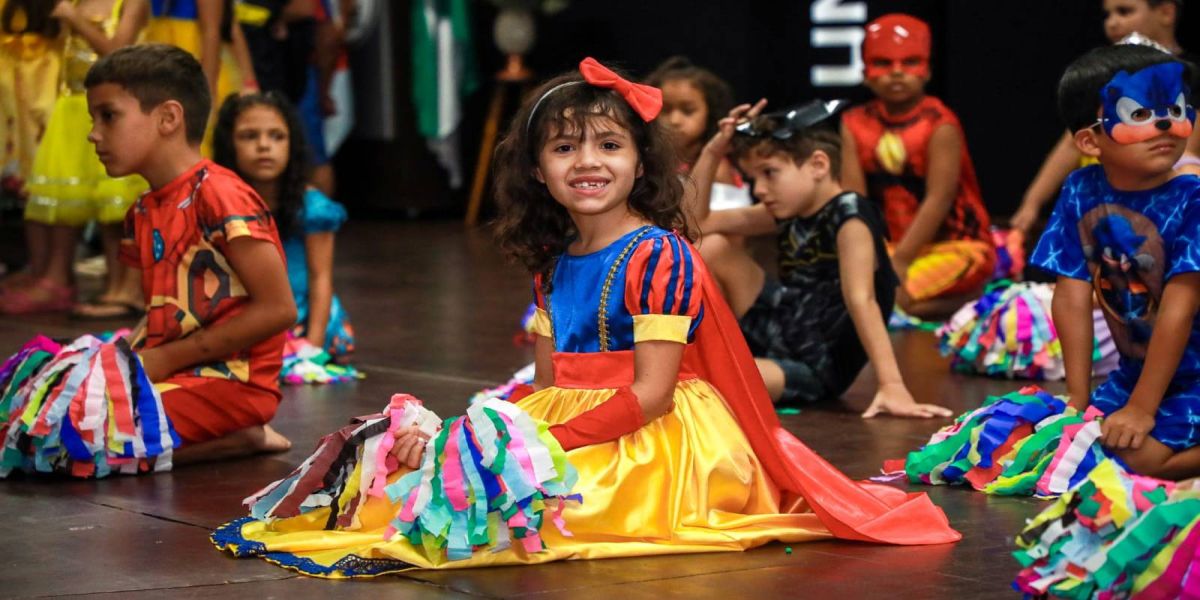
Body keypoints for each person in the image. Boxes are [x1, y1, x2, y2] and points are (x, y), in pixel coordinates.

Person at [212, 58, 959, 577]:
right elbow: (545, 388)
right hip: (570, 421)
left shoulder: (658, 254)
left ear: (641, 162)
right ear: (538, 171)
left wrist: (536, 445)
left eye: (608, 145)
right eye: (565, 148)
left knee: (543, 513)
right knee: (444, 491)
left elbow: (653, 395)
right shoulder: (551, 260)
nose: (588, 162)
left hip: (654, 442)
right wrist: (479, 439)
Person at [686, 98, 949, 418]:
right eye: (754, 179)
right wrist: (714, 149)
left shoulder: (850, 215)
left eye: (770, 173)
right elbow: (695, 223)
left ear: (818, 165)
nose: (760, 189)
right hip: (782, 325)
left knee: (702, 382)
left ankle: (715, 363)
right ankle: (708, 352)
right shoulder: (789, 209)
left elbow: (862, 300)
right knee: (711, 246)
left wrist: (891, 384)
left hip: (812, 365)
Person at [1031, 44, 1200, 480]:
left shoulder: (1193, 200)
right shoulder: (1080, 189)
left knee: (1137, 461)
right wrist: (1077, 399)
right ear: (1090, 141)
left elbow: (1179, 310)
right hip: (1135, 372)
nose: (1165, 123)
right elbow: (1071, 295)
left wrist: (1142, 409)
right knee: (1070, 450)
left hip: (1195, 376)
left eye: (1175, 109)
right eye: (1139, 114)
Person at [841, 13, 995, 320]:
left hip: (956, 247)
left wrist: (900, 262)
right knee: (849, 288)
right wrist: (871, 256)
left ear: (927, 70)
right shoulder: (854, 122)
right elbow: (855, 200)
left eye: (910, 62)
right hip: (887, 246)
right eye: (883, 63)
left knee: (893, 297)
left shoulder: (940, 124)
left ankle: (979, 300)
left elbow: (939, 199)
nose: (897, 73)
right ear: (865, 71)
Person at [0, 0, 148, 316]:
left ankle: (123, 289)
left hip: (113, 107)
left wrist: (74, 19)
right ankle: (54, 279)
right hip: (72, 107)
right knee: (60, 198)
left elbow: (117, 52)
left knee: (114, 206)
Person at [1011, 0, 1200, 233]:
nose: (1112, 23)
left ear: (1166, 12)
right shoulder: (1105, 76)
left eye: (1124, 11)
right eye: (1107, 14)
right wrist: (1031, 204)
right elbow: (1070, 144)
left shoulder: (1189, 77)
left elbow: (1178, 149)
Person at [213, 91, 357, 379]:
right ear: (229, 144)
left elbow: (320, 279)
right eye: (249, 136)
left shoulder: (311, 206)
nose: (264, 145)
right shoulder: (218, 204)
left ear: (293, 145)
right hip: (245, 313)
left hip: (300, 315)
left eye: (277, 136)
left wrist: (312, 348)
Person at [646, 56, 751, 211]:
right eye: (665, 110)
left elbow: (724, 222)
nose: (675, 120)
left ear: (711, 114)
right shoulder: (647, 159)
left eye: (688, 111)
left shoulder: (717, 168)